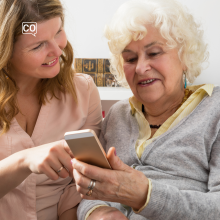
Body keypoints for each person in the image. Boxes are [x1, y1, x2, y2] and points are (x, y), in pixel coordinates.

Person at [72, 0, 220, 219]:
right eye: (130, 58)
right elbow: (92, 194)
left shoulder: (214, 110)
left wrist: (146, 195)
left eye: (154, 53)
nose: (140, 68)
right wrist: (100, 212)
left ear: (184, 55)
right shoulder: (117, 115)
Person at [0, 0, 102, 219]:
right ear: (5, 50)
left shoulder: (83, 93)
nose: (57, 50)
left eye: (58, 32)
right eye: (37, 46)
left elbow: (81, 186)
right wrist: (24, 161)